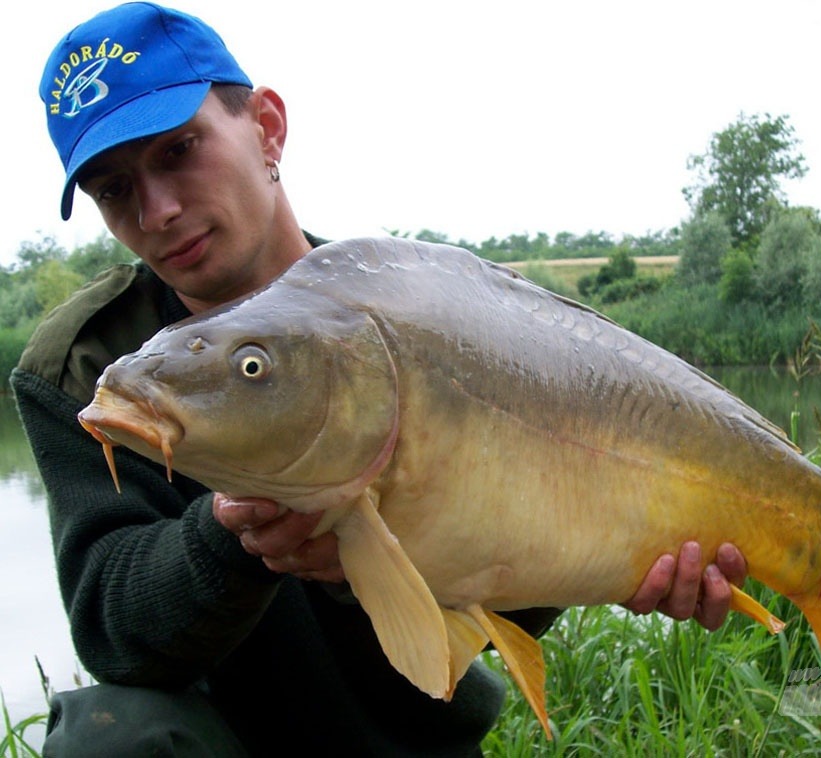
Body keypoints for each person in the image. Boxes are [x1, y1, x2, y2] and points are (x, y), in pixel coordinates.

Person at [15, 3, 748, 756]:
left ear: (266, 126)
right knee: (108, 740)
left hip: (407, 733)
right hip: (209, 741)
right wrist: (234, 535)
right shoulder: (92, 364)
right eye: (114, 189)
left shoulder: (422, 316)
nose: (158, 211)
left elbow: (513, 592)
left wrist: (622, 563)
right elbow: (114, 630)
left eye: (178, 152)